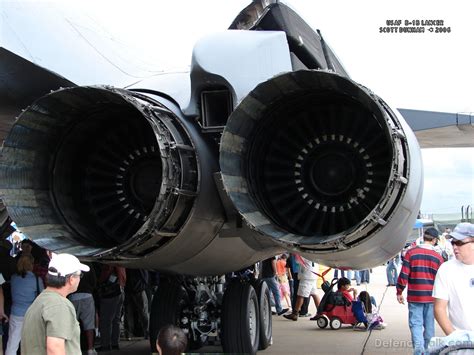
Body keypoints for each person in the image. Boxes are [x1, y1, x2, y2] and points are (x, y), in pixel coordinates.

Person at [21, 253, 90, 355]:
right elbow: (55, 349)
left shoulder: (41, 300)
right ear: (71, 279)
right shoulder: (60, 305)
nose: (80, 279)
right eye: (80, 275)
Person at [396, 227, 444, 355]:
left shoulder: (411, 253)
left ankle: (419, 351)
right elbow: (442, 281)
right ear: (434, 240)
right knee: (429, 327)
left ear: (423, 237)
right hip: (431, 298)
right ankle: (427, 351)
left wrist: (399, 291)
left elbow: (404, 275)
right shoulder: (438, 258)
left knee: (416, 325)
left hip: (415, 297)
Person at [433, 222, 474, 335]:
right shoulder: (446, 269)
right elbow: (439, 308)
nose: (455, 247)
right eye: (453, 242)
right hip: (462, 345)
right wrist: (454, 337)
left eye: (459, 243)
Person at [5, 254, 44, 355]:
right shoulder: (36, 279)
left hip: (16, 313)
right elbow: (42, 297)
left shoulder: (13, 278)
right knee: (31, 344)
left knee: (12, 344)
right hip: (31, 314)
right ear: (31, 264)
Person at [68, 262, 97, 355]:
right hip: (87, 295)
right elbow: (94, 281)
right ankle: (90, 349)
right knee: (89, 324)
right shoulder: (88, 264)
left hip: (73, 296)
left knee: (72, 324)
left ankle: (71, 347)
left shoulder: (71, 263)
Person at [97, 265, 126, 352]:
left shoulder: (110, 261)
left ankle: (105, 344)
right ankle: (115, 343)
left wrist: (98, 281)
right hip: (120, 290)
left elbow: (106, 271)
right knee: (116, 319)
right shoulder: (121, 260)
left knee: (106, 320)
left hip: (111, 292)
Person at [283, 256, 320, 321]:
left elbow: (297, 260)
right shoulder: (314, 255)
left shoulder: (304, 255)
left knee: (300, 295)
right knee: (314, 294)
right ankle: (320, 313)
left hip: (306, 276)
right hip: (313, 275)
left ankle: (295, 313)